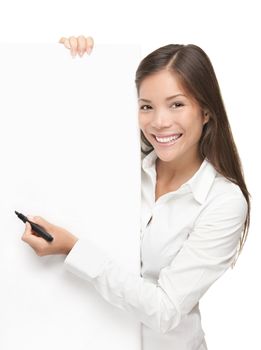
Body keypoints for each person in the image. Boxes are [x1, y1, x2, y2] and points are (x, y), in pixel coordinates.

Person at [21, 36, 251, 350]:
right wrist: (76, 62)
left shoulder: (223, 201)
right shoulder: (121, 171)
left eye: (177, 104)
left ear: (206, 111)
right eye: (146, 106)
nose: (159, 122)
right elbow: (64, 125)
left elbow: (165, 310)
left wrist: (73, 249)